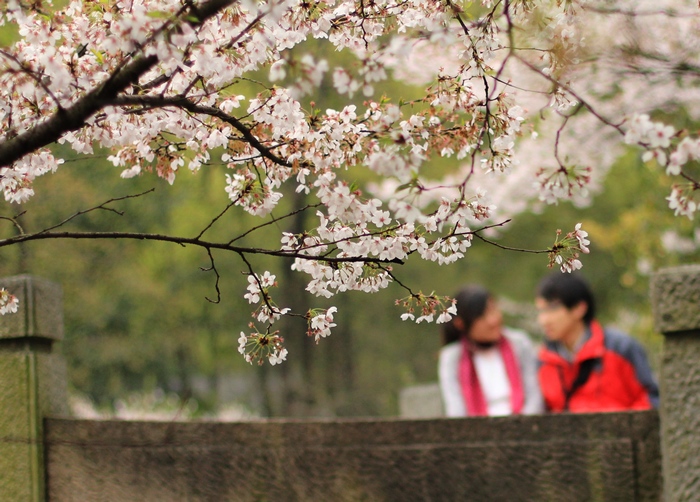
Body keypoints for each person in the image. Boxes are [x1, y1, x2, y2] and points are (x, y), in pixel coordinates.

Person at [535, 272, 660, 413]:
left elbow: (652, 398)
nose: (543, 320)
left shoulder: (620, 348)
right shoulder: (543, 360)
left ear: (579, 308)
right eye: (540, 311)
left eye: (552, 309)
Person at [438, 285, 543, 417]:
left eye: (493, 310)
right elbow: (456, 409)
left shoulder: (519, 343)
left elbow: (534, 396)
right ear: (461, 324)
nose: (493, 320)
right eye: (482, 316)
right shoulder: (452, 357)